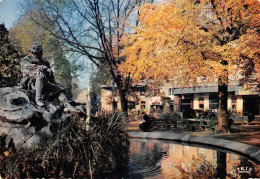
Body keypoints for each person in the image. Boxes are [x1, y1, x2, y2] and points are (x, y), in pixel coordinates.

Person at [20, 42, 76, 112]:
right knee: (40, 75)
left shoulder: (44, 60)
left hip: (44, 83)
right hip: (30, 83)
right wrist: (42, 68)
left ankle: (67, 105)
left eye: (41, 51)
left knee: (58, 87)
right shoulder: (26, 59)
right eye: (40, 51)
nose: (42, 53)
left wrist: (51, 75)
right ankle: (38, 99)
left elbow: (49, 73)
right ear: (35, 51)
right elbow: (29, 68)